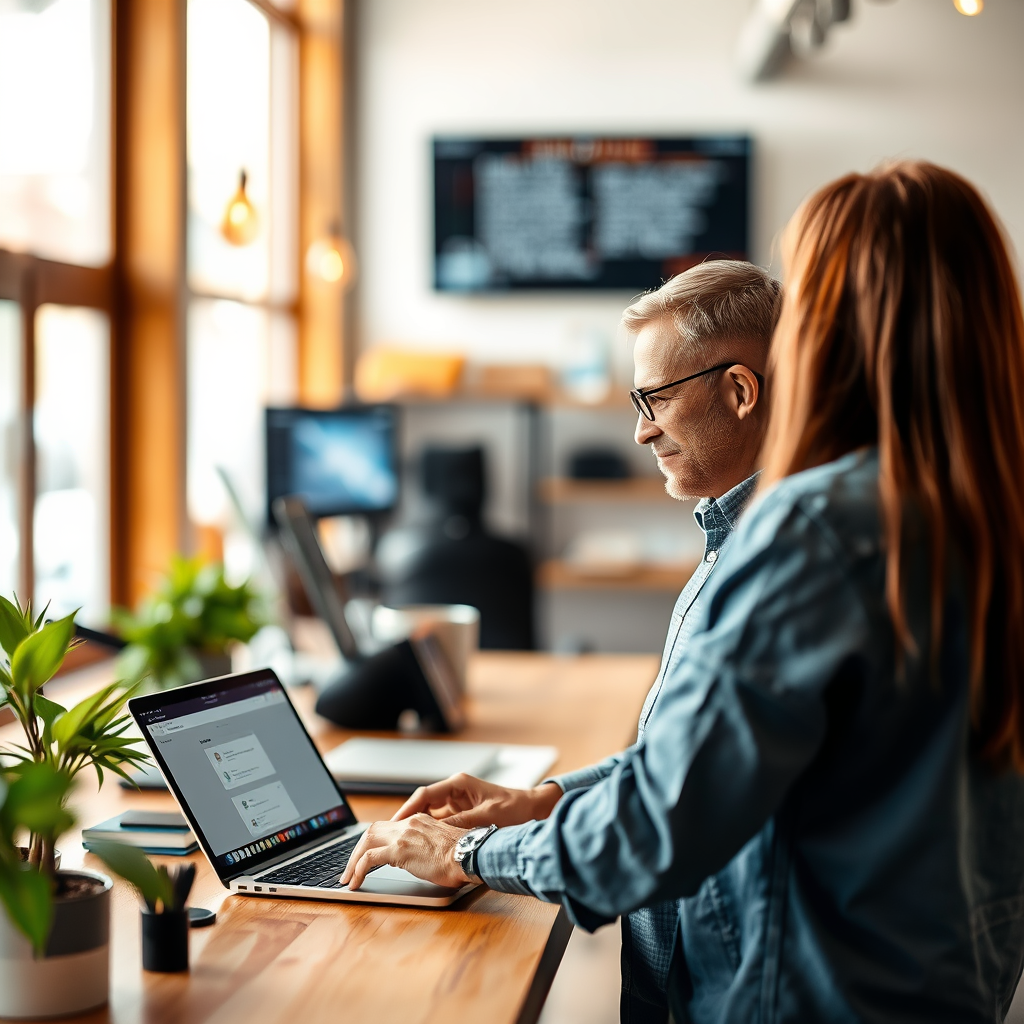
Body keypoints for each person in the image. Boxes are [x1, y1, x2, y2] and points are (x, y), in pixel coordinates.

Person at [343, 161, 1024, 1022]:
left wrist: (468, 855)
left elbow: (663, 822)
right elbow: (737, 761)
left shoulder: (818, 529)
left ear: (837, 324)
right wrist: (550, 800)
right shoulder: (982, 522)